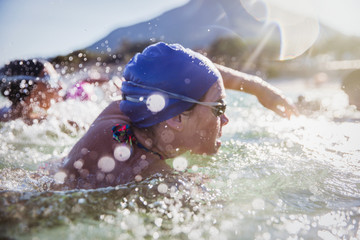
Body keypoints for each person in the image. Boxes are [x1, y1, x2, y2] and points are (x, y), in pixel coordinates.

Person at [54, 42, 298, 189]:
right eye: (219, 108)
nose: (225, 120)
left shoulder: (136, 106)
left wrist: (258, 87)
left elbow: (183, 70)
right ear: (176, 118)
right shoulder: (139, 167)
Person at [0, 59, 108, 123]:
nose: (61, 87)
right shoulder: (51, 123)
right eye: (51, 81)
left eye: (58, 79)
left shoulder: (52, 120)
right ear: (26, 88)